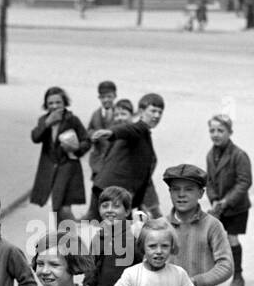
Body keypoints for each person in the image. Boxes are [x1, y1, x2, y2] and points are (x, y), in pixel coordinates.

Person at [82, 184, 142, 286]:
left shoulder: (134, 236)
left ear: (127, 211)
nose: (110, 210)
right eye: (105, 205)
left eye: (116, 206)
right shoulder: (99, 237)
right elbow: (92, 265)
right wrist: (88, 285)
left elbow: (144, 264)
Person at [90, 93, 164, 218]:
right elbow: (129, 130)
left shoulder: (144, 135)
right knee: (118, 233)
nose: (157, 115)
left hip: (114, 192)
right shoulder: (139, 129)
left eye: (160, 112)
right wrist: (111, 132)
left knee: (117, 233)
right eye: (153, 111)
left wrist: (140, 203)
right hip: (113, 193)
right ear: (141, 112)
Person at [205, 114, 252, 286]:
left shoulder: (239, 155)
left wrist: (226, 201)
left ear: (230, 132)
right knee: (213, 240)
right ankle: (214, 275)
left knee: (232, 239)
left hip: (236, 207)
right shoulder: (211, 154)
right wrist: (214, 199)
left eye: (220, 131)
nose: (216, 134)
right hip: (219, 206)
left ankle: (238, 276)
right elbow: (209, 180)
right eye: (212, 130)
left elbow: (244, 182)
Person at [29, 86, 90, 227]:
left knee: (63, 207)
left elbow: (86, 140)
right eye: (51, 103)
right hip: (50, 169)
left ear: (64, 103)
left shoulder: (72, 120)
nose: (55, 106)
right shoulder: (43, 120)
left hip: (68, 168)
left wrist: (76, 148)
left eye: (58, 102)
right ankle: (65, 238)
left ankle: (72, 232)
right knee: (57, 207)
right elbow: (35, 137)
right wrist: (47, 123)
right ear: (46, 105)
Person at [84, 81, 120, 219]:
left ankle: (114, 214)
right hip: (99, 158)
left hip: (114, 158)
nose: (106, 100)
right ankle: (93, 213)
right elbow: (88, 130)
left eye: (109, 96)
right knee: (97, 187)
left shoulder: (120, 113)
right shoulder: (96, 114)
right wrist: (92, 135)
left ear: (115, 96)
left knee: (115, 189)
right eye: (103, 97)